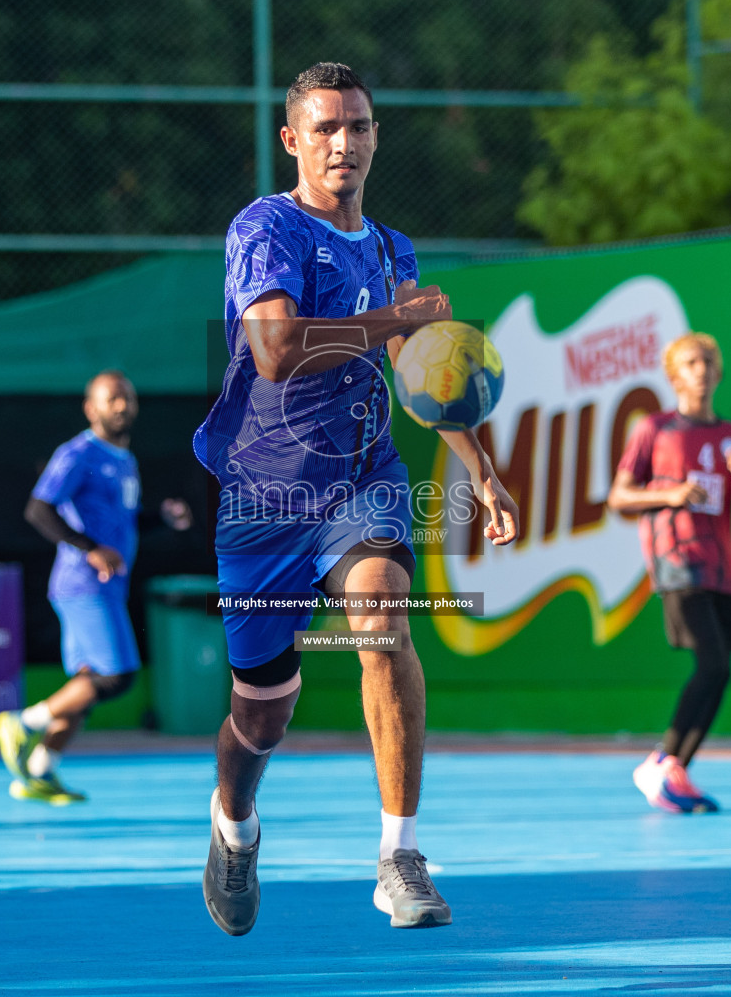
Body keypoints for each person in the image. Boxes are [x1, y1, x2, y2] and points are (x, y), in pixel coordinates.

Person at [191, 61, 518, 936]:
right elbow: (275, 350)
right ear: (294, 139)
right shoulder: (265, 227)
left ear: (376, 136)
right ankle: (235, 823)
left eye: (360, 126)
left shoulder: (391, 249)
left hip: (361, 482)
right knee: (261, 714)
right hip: (263, 500)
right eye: (327, 128)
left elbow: (427, 375)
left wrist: (480, 469)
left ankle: (399, 855)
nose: (345, 143)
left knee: (383, 616)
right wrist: (392, 323)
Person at [0, 371, 191, 804]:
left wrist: (162, 517)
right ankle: (23, 723)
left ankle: (40, 772)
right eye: (112, 399)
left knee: (87, 683)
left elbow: (124, 519)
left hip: (109, 587)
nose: (122, 406)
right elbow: (38, 509)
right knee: (117, 676)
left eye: (128, 398)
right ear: (91, 408)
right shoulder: (77, 453)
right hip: (82, 585)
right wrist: (90, 549)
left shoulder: (125, 459)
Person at [609, 333, 731, 813]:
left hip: (723, 570)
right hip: (677, 560)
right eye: (691, 362)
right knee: (712, 663)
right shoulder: (655, 429)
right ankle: (662, 760)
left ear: (719, 373)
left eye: (709, 362)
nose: (702, 369)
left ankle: (671, 769)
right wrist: (671, 494)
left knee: (720, 671)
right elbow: (619, 496)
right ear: (675, 374)